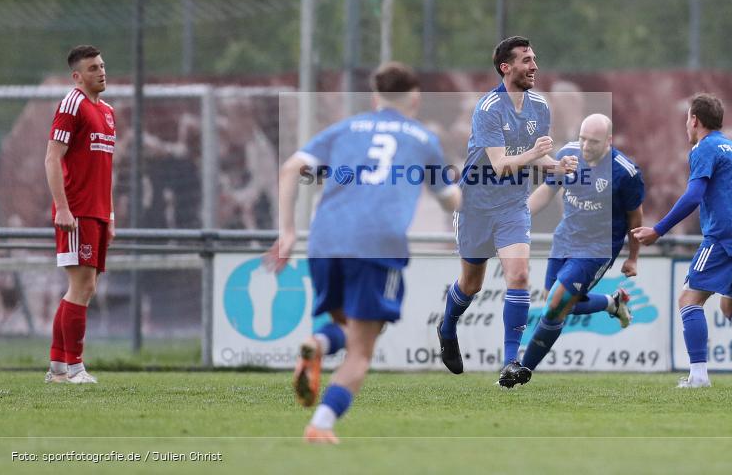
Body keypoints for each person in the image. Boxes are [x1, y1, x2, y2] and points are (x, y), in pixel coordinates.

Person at [267, 62, 461, 444]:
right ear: (415, 99)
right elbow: (449, 199)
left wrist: (287, 232)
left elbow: (290, 169)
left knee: (348, 325)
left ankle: (318, 344)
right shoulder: (423, 139)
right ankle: (321, 424)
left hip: (325, 240)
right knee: (361, 351)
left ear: (375, 98)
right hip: (376, 243)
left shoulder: (345, 129)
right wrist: (467, 191)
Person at [436, 36, 577, 387]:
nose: (534, 66)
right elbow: (500, 165)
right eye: (526, 60)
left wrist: (556, 165)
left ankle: (510, 363)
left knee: (519, 276)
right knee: (472, 285)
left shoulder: (539, 106)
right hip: (475, 208)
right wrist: (537, 156)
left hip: (513, 206)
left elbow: (534, 157)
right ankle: (447, 326)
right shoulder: (488, 108)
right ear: (506, 67)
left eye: (534, 59)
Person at [631, 93, 732, 388]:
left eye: (687, 119)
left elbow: (693, 196)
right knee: (730, 307)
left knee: (688, 300)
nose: (686, 124)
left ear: (695, 120)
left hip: (726, 235)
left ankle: (698, 377)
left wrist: (658, 230)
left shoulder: (704, 147)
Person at [517, 114, 644, 381]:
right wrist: (517, 220)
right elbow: (548, 190)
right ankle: (612, 303)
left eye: (593, 141)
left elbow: (635, 218)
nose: (585, 146)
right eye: (582, 138)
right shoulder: (568, 154)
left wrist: (633, 257)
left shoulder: (625, 172)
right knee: (558, 304)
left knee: (555, 305)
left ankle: (521, 371)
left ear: (609, 141)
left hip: (596, 249)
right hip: (565, 239)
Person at [44, 45, 116, 385]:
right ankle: (74, 368)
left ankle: (58, 368)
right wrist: (62, 207)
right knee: (81, 286)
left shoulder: (108, 112)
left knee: (84, 288)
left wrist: (110, 215)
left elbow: (104, 169)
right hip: (77, 211)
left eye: (101, 66)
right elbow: (52, 158)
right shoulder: (72, 104)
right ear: (77, 76)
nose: (101, 72)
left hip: (97, 212)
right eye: (92, 68)